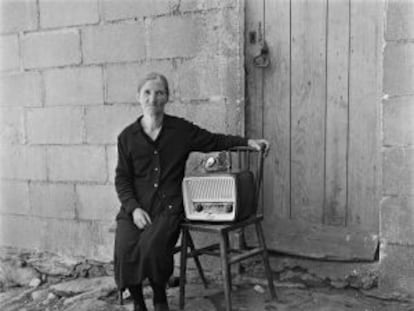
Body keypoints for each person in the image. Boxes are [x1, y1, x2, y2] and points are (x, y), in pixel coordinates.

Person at [113, 72, 269, 311]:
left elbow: (213, 140)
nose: (152, 98)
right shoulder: (126, 137)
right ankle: (138, 302)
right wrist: (133, 209)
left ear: (167, 98)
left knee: (153, 246)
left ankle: (159, 297)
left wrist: (248, 142)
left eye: (159, 93)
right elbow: (122, 179)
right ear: (138, 97)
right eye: (147, 92)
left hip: (169, 207)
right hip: (136, 207)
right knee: (125, 247)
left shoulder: (180, 130)